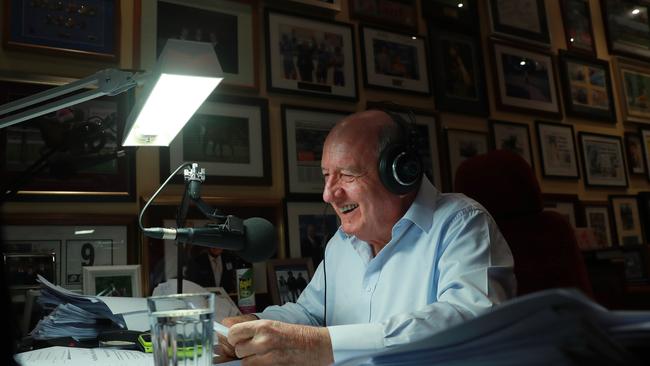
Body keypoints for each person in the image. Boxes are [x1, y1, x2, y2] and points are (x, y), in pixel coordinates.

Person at [220, 109, 516, 365]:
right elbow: (309, 314)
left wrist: (323, 346)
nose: (329, 194)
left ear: (400, 172)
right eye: (326, 176)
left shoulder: (462, 223)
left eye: (347, 175)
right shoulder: (342, 245)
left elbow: (471, 321)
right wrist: (253, 326)